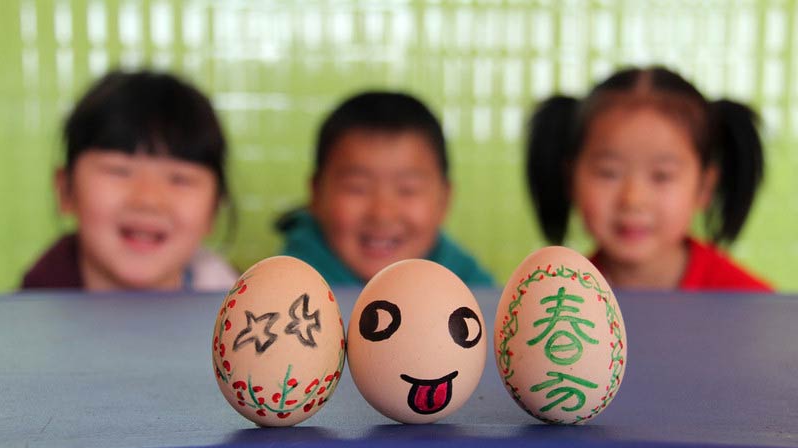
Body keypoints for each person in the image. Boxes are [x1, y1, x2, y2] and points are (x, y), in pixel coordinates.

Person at [525, 66, 772, 291]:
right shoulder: (560, 297)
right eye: (608, 172)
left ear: (704, 187)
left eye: (662, 176)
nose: (633, 199)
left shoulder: (747, 301)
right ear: (571, 180)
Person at [21, 70, 238, 291]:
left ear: (215, 208)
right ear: (65, 190)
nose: (148, 200)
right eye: (119, 171)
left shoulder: (229, 299)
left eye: (179, 179)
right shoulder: (23, 313)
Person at [277, 90, 494, 286]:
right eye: (357, 188)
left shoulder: (469, 286)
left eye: (408, 189)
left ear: (444, 200)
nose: (382, 213)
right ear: (316, 193)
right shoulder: (285, 290)